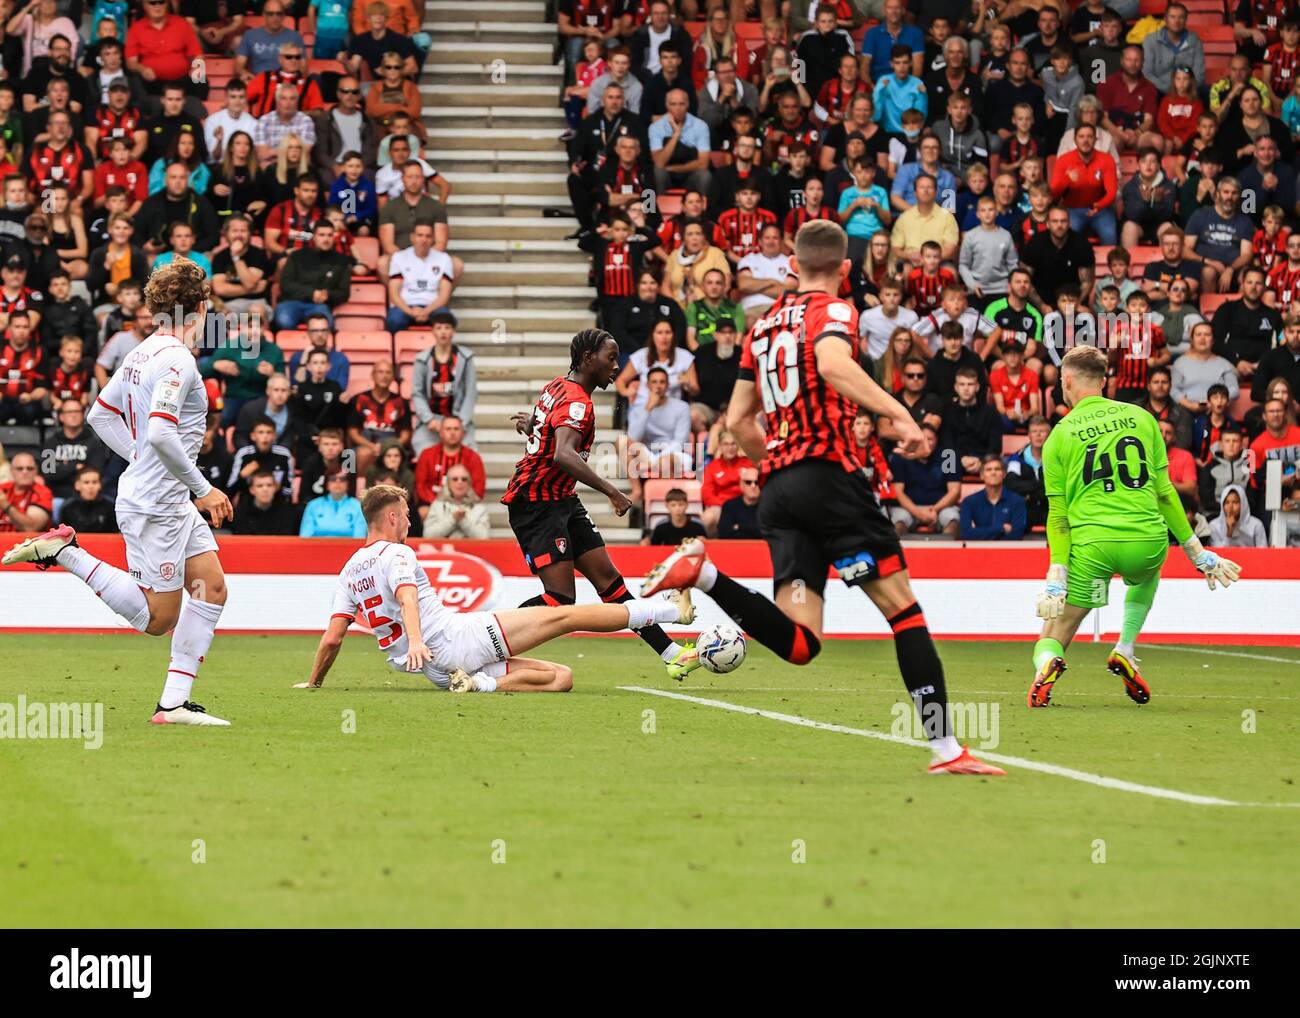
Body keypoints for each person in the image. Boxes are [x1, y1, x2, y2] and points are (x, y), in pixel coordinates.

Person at [641, 220, 1003, 774]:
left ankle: (704, 575)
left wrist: (781, 469)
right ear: (846, 270)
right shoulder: (834, 312)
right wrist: (900, 415)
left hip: (781, 490)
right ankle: (947, 749)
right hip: (831, 479)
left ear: (792, 262)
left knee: (802, 644)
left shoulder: (761, 327)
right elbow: (833, 365)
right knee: (904, 613)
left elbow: (737, 420)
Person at [3, 261, 234, 725]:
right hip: (158, 506)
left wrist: (144, 462)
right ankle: (66, 552)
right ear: (202, 309)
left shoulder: (141, 352)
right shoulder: (178, 360)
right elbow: (163, 435)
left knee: (211, 587)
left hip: (161, 497)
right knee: (158, 619)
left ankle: (173, 704)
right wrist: (203, 489)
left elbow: (99, 416)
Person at [298, 483, 693, 693]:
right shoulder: (398, 555)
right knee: (564, 616)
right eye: (404, 517)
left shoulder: (350, 569)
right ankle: (673, 611)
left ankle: (482, 684)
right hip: (457, 640)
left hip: (438, 671)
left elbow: (333, 638)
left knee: (563, 677)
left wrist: (314, 682)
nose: (409, 525)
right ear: (390, 516)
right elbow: (406, 596)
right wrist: (416, 640)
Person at [1030, 345, 1241, 709]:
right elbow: (1164, 493)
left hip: (1094, 545)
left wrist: (1056, 575)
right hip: (1147, 541)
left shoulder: (1059, 436)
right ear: (1105, 381)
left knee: (1056, 629)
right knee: (1145, 575)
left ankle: (1047, 664)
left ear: (1066, 382)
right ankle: (1125, 647)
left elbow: (1058, 517)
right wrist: (1198, 552)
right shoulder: (1143, 419)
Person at [504, 330, 693, 679]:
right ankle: (484, 643)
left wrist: (533, 425)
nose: (616, 366)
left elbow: (550, 433)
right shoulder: (578, 402)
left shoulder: (557, 386)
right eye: (611, 357)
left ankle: (672, 653)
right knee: (559, 600)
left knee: (611, 583)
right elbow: (563, 453)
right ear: (588, 358)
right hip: (536, 504)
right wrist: (612, 491)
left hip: (561, 499)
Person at [273, 220, 351, 330]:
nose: (326, 239)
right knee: (283, 321)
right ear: (314, 237)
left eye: (330, 235)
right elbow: (285, 284)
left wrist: (327, 295)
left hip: (319, 306)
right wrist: (312, 293)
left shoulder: (341, 261)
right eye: (321, 235)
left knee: (326, 326)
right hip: (291, 302)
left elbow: (344, 293)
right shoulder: (297, 256)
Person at [386, 220, 454, 331]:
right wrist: (411, 312)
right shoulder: (399, 257)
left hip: (433, 306)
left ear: (433, 239)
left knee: (445, 320)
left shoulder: (444, 259)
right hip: (405, 306)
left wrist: (425, 311)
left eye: (428, 236)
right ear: (412, 237)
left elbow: (444, 296)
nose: (424, 240)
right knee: (394, 321)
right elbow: (394, 294)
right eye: (419, 235)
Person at [414, 414, 486, 510]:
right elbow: (420, 486)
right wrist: (436, 504)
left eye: (456, 429)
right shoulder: (427, 454)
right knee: (423, 511)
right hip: (433, 505)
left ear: (463, 433)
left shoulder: (473, 457)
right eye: (448, 429)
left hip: (464, 506)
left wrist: (462, 504)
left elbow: (479, 488)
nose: (452, 433)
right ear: (441, 432)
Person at [960, 455, 1027, 540]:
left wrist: (980, 533)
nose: (993, 473)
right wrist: (1001, 529)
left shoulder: (1017, 501)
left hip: (1008, 551)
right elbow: (966, 534)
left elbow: (1017, 534)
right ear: (981, 475)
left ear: (1004, 474)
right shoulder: (969, 502)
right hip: (979, 551)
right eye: (989, 470)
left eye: (997, 469)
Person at [299, 470, 366, 539]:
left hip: (350, 549)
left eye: (342, 479)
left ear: (348, 484)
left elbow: (360, 538)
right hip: (317, 548)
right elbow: (305, 537)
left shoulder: (357, 506)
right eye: (333, 479)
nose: (338, 482)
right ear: (327, 484)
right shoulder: (313, 505)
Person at [231, 468, 299, 535]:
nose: (265, 489)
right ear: (252, 490)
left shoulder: (286, 512)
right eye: (259, 486)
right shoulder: (241, 512)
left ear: (275, 488)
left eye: (269, 485)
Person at [0, 449, 52, 532]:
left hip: (27, 543)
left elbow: (31, 527)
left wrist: (5, 505)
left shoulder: (43, 493)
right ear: (11, 471)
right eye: (19, 468)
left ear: (36, 471)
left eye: (30, 468)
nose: (25, 472)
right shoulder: (2, 489)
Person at [1208, 483, 1267, 547]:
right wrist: (1229, 532)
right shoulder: (1214, 526)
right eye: (1227, 502)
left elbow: (1263, 552)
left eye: (1235, 502)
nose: (1230, 506)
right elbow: (1217, 553)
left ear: (1243, 504)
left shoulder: (1256, 525)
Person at [59, 466, 115, 533]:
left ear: (100, 485)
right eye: (86, 482)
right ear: (77, 485)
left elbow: (115, 533)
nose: (91, 486)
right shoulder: (67, 507)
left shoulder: (110, 505)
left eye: (94, 482)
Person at [716, 464, 763, 539]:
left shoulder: (768, 506)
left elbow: (770, 534)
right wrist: (755, 528)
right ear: (741, 485)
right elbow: (724, 534)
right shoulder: (730, 506)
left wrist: (740, 527)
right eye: (748, 482)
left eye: (757, 482)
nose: (753, 486)